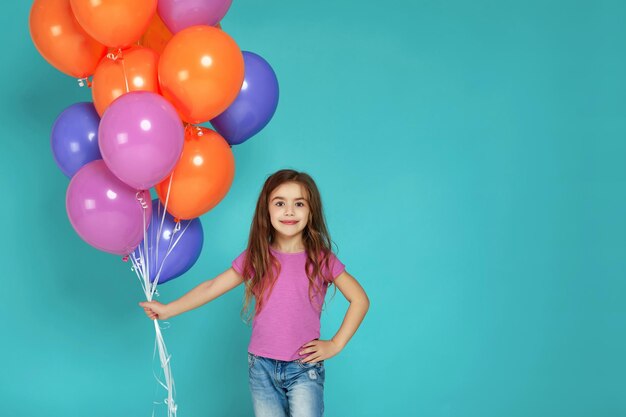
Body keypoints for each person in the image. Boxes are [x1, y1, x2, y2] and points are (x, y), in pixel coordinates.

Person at [140, 169, 370, 417]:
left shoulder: (321, 259)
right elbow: (212, 286)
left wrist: (336, 344)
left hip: (304, 368)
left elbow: (359, 299)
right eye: (280, 203)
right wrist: (169, 309)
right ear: (267, 210)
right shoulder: (257, 256)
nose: (289, 211)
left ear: (311, 211)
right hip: (261, 367)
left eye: (299, 204)